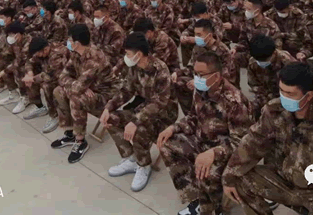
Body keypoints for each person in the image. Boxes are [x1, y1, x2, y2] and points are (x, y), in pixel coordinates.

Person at [223, 62, 313, 215]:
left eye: (290, 94)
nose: (284, 97)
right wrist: (229, 177)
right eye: (281, 91)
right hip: (281, 181)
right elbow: (252, 143)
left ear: (309, 95)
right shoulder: (273, 110)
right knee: (240, 178)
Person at [158, 52, 252, 215]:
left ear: (216, 76)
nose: (196, 78)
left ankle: (213, 209)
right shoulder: (202, 90)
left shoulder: (235, 102)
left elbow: (242, 143)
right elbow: (193, 117)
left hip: (227, 153)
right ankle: (197, 199)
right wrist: (172, 128)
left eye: (200, 74)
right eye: (195, 73)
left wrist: (213, 153)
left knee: (205, 169)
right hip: (202, 141)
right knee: (167, 145)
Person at [100, 33, 178, 192]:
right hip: (144, 109)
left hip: (163, 115)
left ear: (139, 54)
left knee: (138, 129)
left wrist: (135, 121)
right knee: (111, 119)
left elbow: (159, 103)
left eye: (128, 53)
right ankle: (132, 158)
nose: (125, 57)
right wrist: (108, 108)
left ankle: (144, 165)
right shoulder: (134, 67)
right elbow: (126, 91)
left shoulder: (160, 70)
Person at [51, 24, 119, 164]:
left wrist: (78, 86)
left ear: (76, 43)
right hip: (89, 89)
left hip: (105, 95)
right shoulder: (77, 53)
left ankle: (80, 141)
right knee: (58, 91)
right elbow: (63, 76)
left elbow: (76, 89)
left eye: (69, 40)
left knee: (77, 98)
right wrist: (78, 85)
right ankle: (70, 133)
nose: (67, 43)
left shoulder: (94, 58)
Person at [174, 18, 236, 114]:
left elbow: (225, 77)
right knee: (178, 83)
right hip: (201, 77)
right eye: (195, 34)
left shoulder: (223, 51)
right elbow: (191, 67)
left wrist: (200, 82)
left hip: (218, 84)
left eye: (199, 35)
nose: (196, 38)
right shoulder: (198, 48)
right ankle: (192, 114)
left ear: (209, 35)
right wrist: (177, 73)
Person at [23, 36, 70, 134]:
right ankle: (40, 107)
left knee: (46, 85)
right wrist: (30, 73)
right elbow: (29, 61)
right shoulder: (42, 51)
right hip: (54, 76)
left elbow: (51, 76)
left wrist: (32, 79)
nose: (37, 55)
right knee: (28, 76)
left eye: (38, 53)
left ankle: (55, 115)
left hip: (68, 78)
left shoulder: (56, 54)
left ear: (45, 49)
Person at [245, 34, 295, 117]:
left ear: (274, 52)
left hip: (286, 97)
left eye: (266, 60)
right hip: (265, 95)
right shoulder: (253, 62)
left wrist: (275, 101)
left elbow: (296, 87)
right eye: (259, 60)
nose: (262, 63)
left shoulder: (286, 61)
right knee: (250, 111)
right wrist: (266, 99)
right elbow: (254, 84)